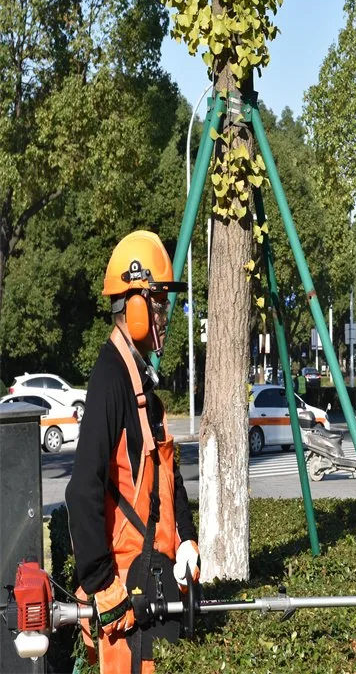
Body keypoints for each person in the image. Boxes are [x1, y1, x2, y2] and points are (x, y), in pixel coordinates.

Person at [66, 231, 200, 674]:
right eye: (159, 302)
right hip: (127, 598)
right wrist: (104, 586)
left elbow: (168, 475)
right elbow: (82, 490)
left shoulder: (144, 385)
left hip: (155, 583)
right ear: (135, 304)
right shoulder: (110, 379)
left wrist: (185, 538)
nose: (166, 314)